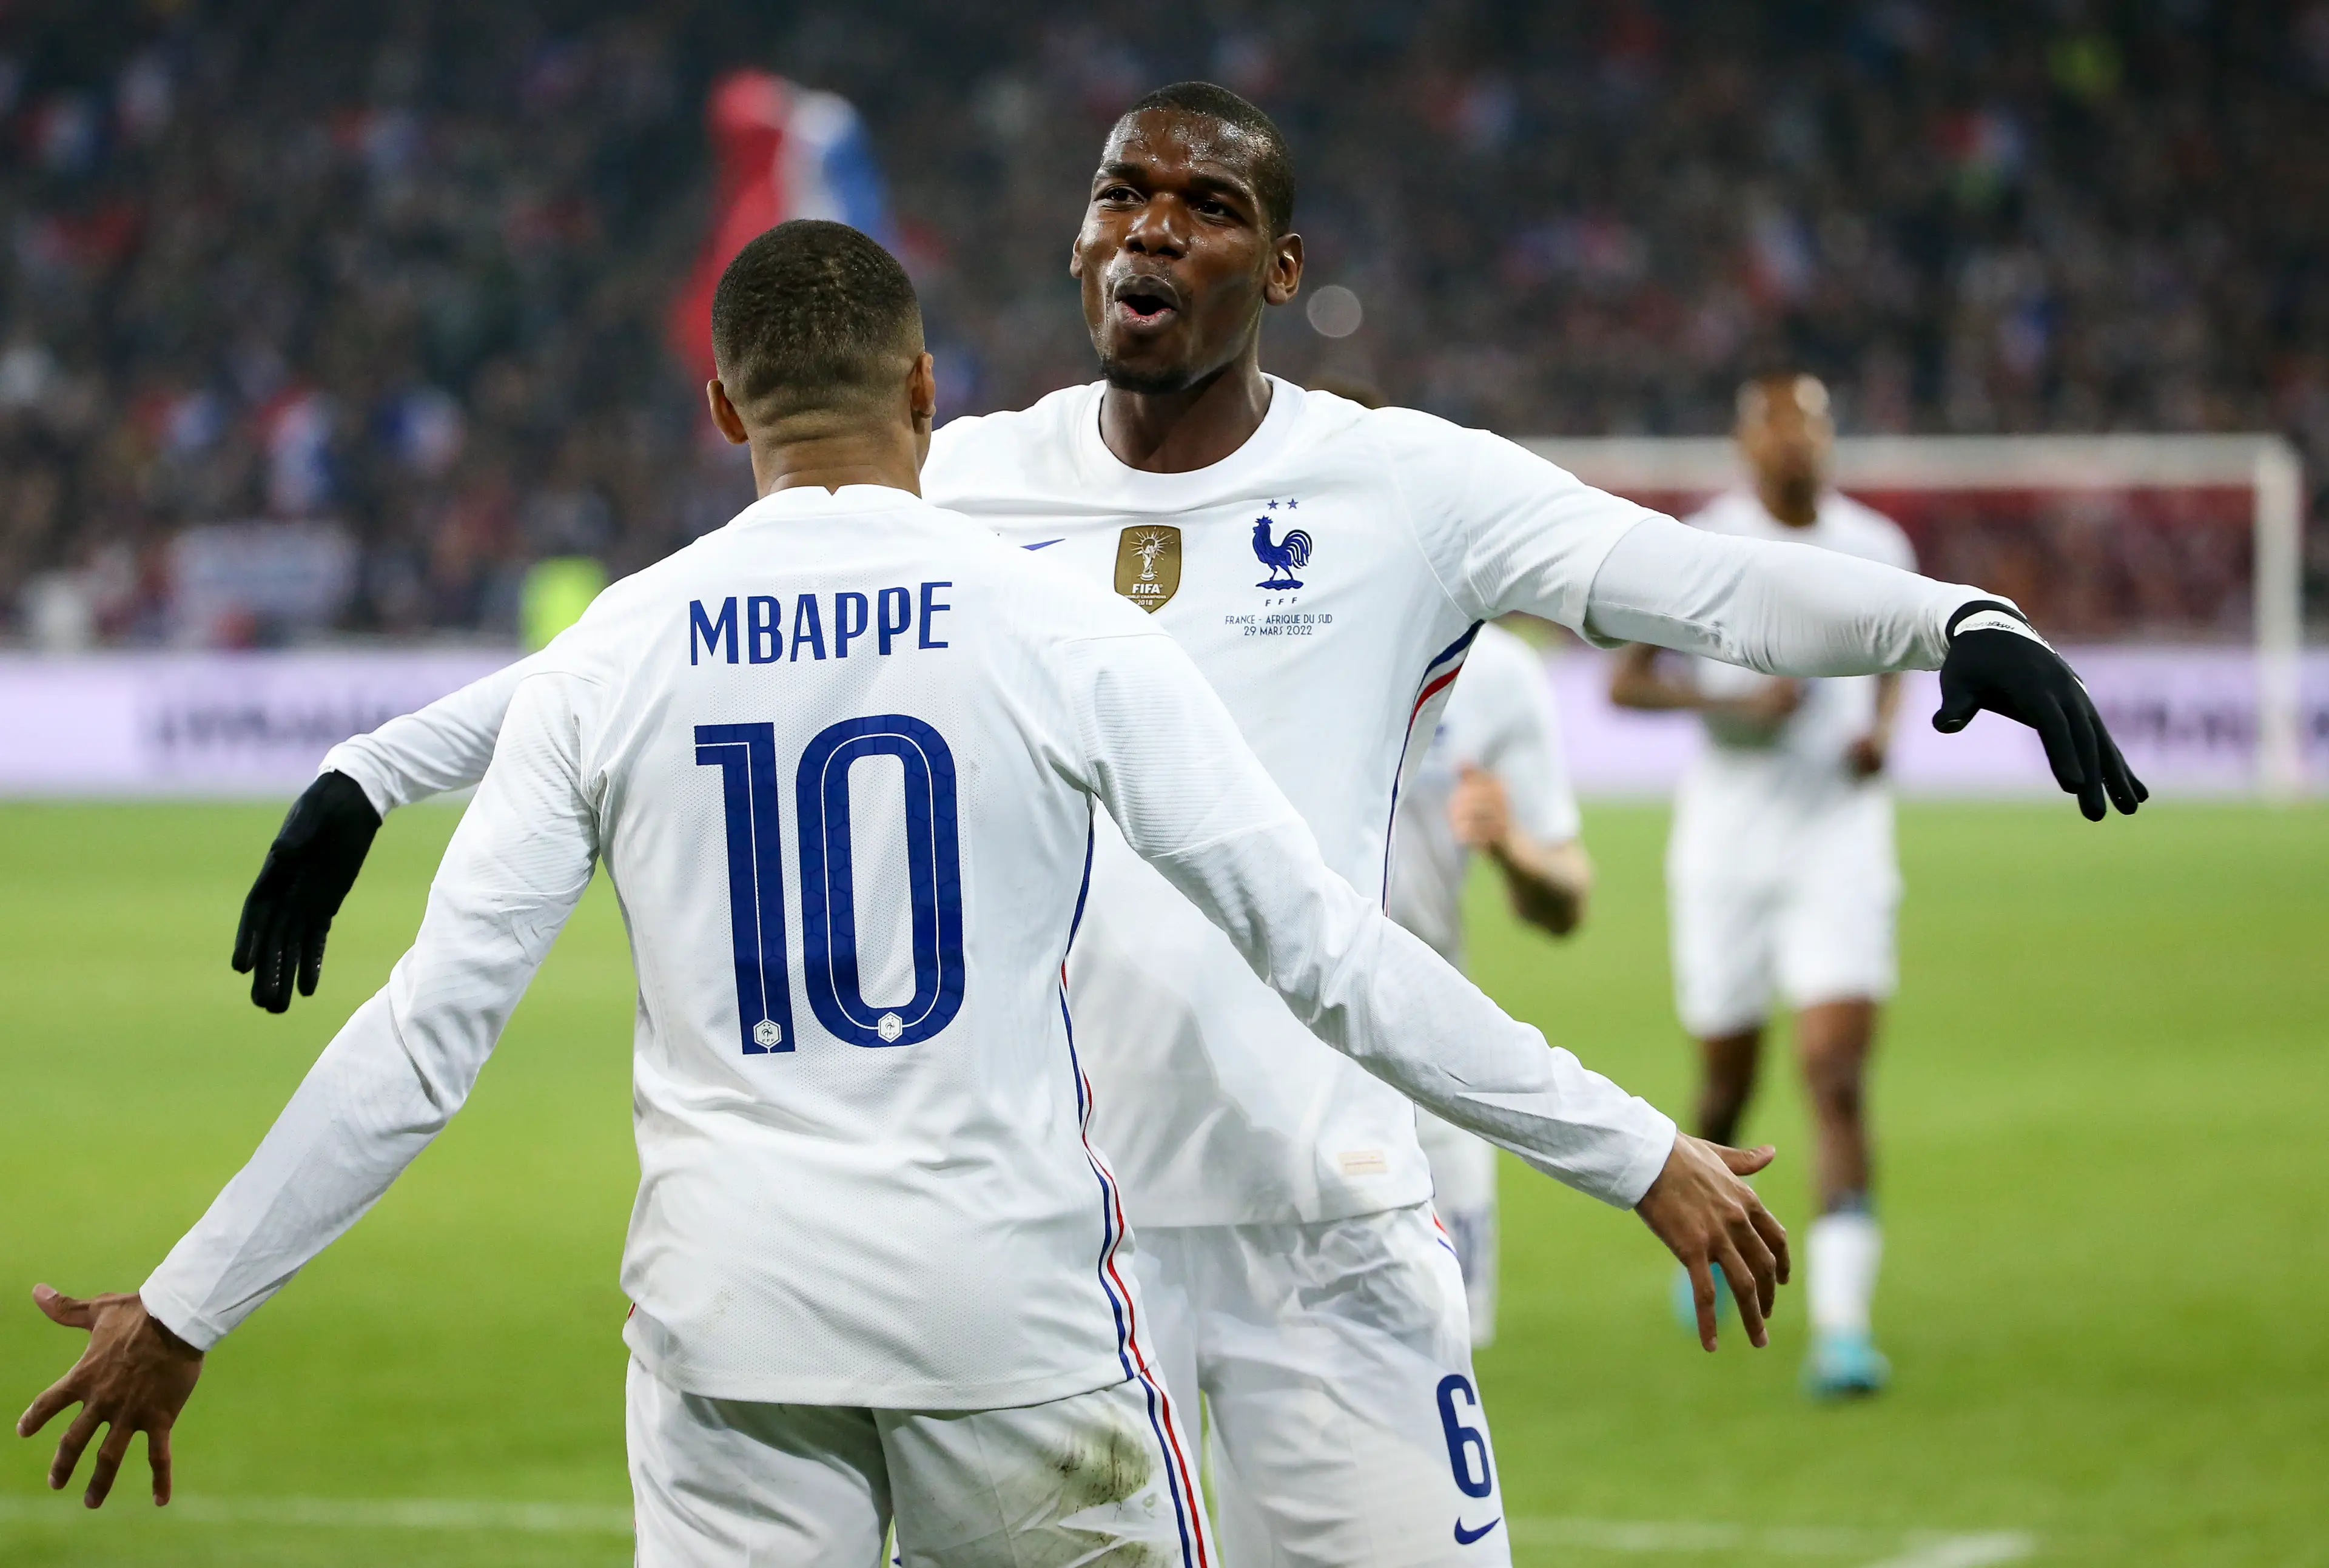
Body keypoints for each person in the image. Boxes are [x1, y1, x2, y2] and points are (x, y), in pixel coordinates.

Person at [223, 85, 2140, 1566]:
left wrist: (1950, 622)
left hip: (1325, 1212)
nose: (1149, 226)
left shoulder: (1404, 487)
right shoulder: (961, 480)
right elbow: (653, 643)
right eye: (1118, 195)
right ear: (1078, 247)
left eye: (1204, 205)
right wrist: (376, 773)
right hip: (1055, 1254)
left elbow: (1700, 584)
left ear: (1278, 272)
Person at [16, 221, 1793, 1562]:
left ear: (722, 406)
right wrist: (1627, 1147)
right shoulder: (1058, 629)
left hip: (728, 1332)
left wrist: (184, 1306)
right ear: (928, 394)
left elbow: (423, 1045)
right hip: (1007, 1324)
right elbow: (1322, 951)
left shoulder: (612, 651)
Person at [1609, 372, 1921, 1398]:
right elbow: (1626, 682)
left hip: (1839, 838)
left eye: (1810, 429)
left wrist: (1881, 734)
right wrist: (1733, 708)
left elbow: (1896, 663)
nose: (1795, 446)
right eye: (1776, 430)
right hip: (1727, 849)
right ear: (1745, 445)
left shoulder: (1876, 547)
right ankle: (1709, 1217)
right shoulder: (1702, 546)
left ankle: (1842, 1330)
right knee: (1726, 1084)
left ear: (1830, 441)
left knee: (1835, 1074)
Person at [1388, 617, 1593, 1350]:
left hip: (1427, 1057)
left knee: (1448, 1351)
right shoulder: (1278, 629)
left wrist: (1510, 845)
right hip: (1279, 1063)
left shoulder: (1497, 671)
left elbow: (1567, 899)